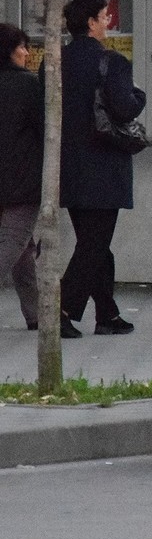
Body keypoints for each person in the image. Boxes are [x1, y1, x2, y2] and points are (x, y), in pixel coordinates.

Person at [55, 0, 145, 339]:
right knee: (93, 243)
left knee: (94, 242)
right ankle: (62, 310)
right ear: (91, 22)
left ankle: (107, 313)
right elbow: (125, 108)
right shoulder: (112, 62)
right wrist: (141, 97)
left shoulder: (54, 60)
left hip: (68, 165)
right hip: (104, 165)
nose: (109, 22)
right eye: (105, 16)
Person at [0, 23, 42, 332]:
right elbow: (45, 132)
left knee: (23, 251)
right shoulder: (29, 85)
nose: (27, 53)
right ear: (10, 51)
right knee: (11, 245)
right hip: (22, 180)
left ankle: (36, 314)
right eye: (23, 47)